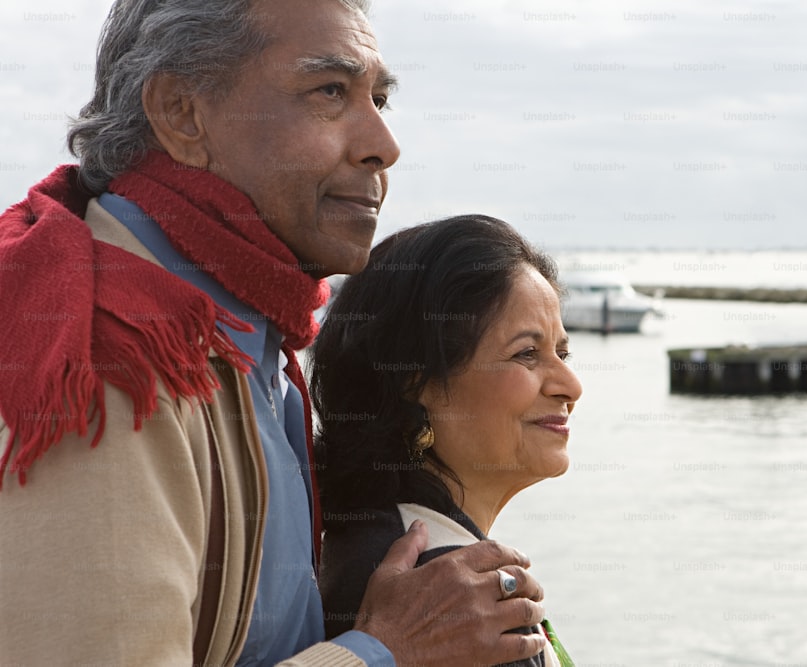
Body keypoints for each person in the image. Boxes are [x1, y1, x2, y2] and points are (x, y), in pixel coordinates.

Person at [0, 1, 550, 665]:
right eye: (329, 91)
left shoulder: (249, 345)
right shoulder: (102, 352)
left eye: (378, 98)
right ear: (182, 113)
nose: (384, 143)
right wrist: (382, 652)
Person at [310, 215, 584, 666]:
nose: (570, 385)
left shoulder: (362, 542)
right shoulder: (461, 607)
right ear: (417, 382)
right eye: (527, 354)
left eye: (563, 353)